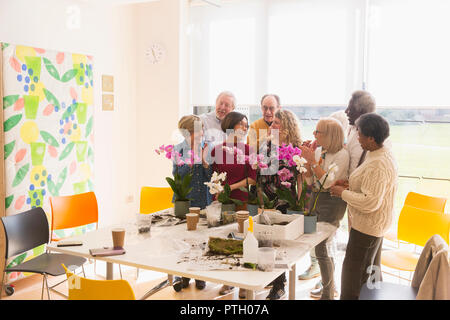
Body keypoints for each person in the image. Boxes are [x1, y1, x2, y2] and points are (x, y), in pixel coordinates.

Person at [329, 113, 398, 300]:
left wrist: (341, 192)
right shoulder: (380, 154)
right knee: (371, 275)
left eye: (359, 134)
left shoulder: (378, 163)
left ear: (371, 138)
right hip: (375, 227)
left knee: (354, 277)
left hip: (367, 228)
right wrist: (351, 184)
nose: (356, 138)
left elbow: (370, 201)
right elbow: (372, 186)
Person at [300, 118, 349, 300]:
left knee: (322, 248)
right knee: (323, 248)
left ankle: (328, 292)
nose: (314, 135)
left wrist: (313, 161)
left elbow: (328, 183)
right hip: (316, 199)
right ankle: (330, 287)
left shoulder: (342, 155)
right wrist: (307, 163)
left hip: (332, 203)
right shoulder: (320, 151)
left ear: (329, 135)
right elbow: (311, 181)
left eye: (318, 132)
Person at [210, 111, 257, 299]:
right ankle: (228, 281)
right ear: (230, 126)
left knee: (244, 241)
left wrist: (230, 187)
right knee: (226, 242)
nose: (245, 128)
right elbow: (214, 177)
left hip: (242, 202)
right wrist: (218, 189)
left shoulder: (249, 150)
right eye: (241, 125)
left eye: (246, 125)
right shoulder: (216, 150)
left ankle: (244, 284)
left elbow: (252, 179)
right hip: (222, 202)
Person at [259, 109, 302, 300]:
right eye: (272, 122)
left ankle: (280, 285)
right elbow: (259, 174)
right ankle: (270, 277)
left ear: (287, 126)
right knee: (265, 241)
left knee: (280, 244)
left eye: (277, 122)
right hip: (266, 197)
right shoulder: (266, 145)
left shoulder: (296, 148)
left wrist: (300, 202)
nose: (272, 125)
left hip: (285, 200)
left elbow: (300, 178)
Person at [171, 115, 211, 292]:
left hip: (203, 201)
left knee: (202, 240)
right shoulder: (178, 149)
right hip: (184, 202)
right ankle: (182, 275)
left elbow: (212, 179)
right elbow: (177, 175)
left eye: (201, 129)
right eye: (196, 130)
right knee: (183, 240)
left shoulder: (208, 149)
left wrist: (203, 161)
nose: (201, 133)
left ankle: (200, 275)